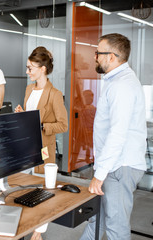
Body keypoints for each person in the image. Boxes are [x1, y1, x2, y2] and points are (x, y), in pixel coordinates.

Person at [80, 33, 147, 240]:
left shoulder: (121, 86)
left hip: (119, 167)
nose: (95, 57)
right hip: (113, 165)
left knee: (116, 227)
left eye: (98, 53)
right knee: (97, 219)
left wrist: (100, 174)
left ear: (111, 56)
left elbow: (118, 133)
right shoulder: (118, 81)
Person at [15, 46, 68, 174]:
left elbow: (63, 125)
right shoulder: (29, 89)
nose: (27, 72)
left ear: (43, 69)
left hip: (43, 147)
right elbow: (30, 118)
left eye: (30, 68)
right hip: (25, 144)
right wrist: (23, 115)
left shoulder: (55, 94)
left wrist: (42, 126)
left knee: (41, 181)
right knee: (23, 181)